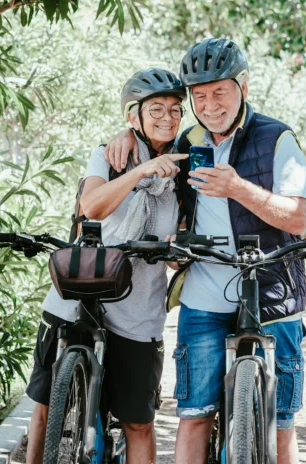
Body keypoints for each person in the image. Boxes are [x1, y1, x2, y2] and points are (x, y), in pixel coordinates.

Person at [104, 39, 306, 464]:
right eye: (199, 95)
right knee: (194, 415)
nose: (210, 104)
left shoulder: (277, 138)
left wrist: (238, 189)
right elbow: (153, 152)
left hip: (273, 293)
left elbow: (296, 218)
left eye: (220, 91)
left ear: (244, 87)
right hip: (204, 297)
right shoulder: (187, 139)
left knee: (281, 422)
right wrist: (127, 132)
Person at [25, 68, 188, 464]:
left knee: (138, 422)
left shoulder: (186, 165)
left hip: (138, 310)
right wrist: (140, 170)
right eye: (156, 109)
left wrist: (178, 247)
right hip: (78, 294)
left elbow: (184, 234)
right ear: (133, 116)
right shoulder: (110, 154)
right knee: (46, 408)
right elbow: (92, 207)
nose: (167, 117)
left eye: (175, 110)